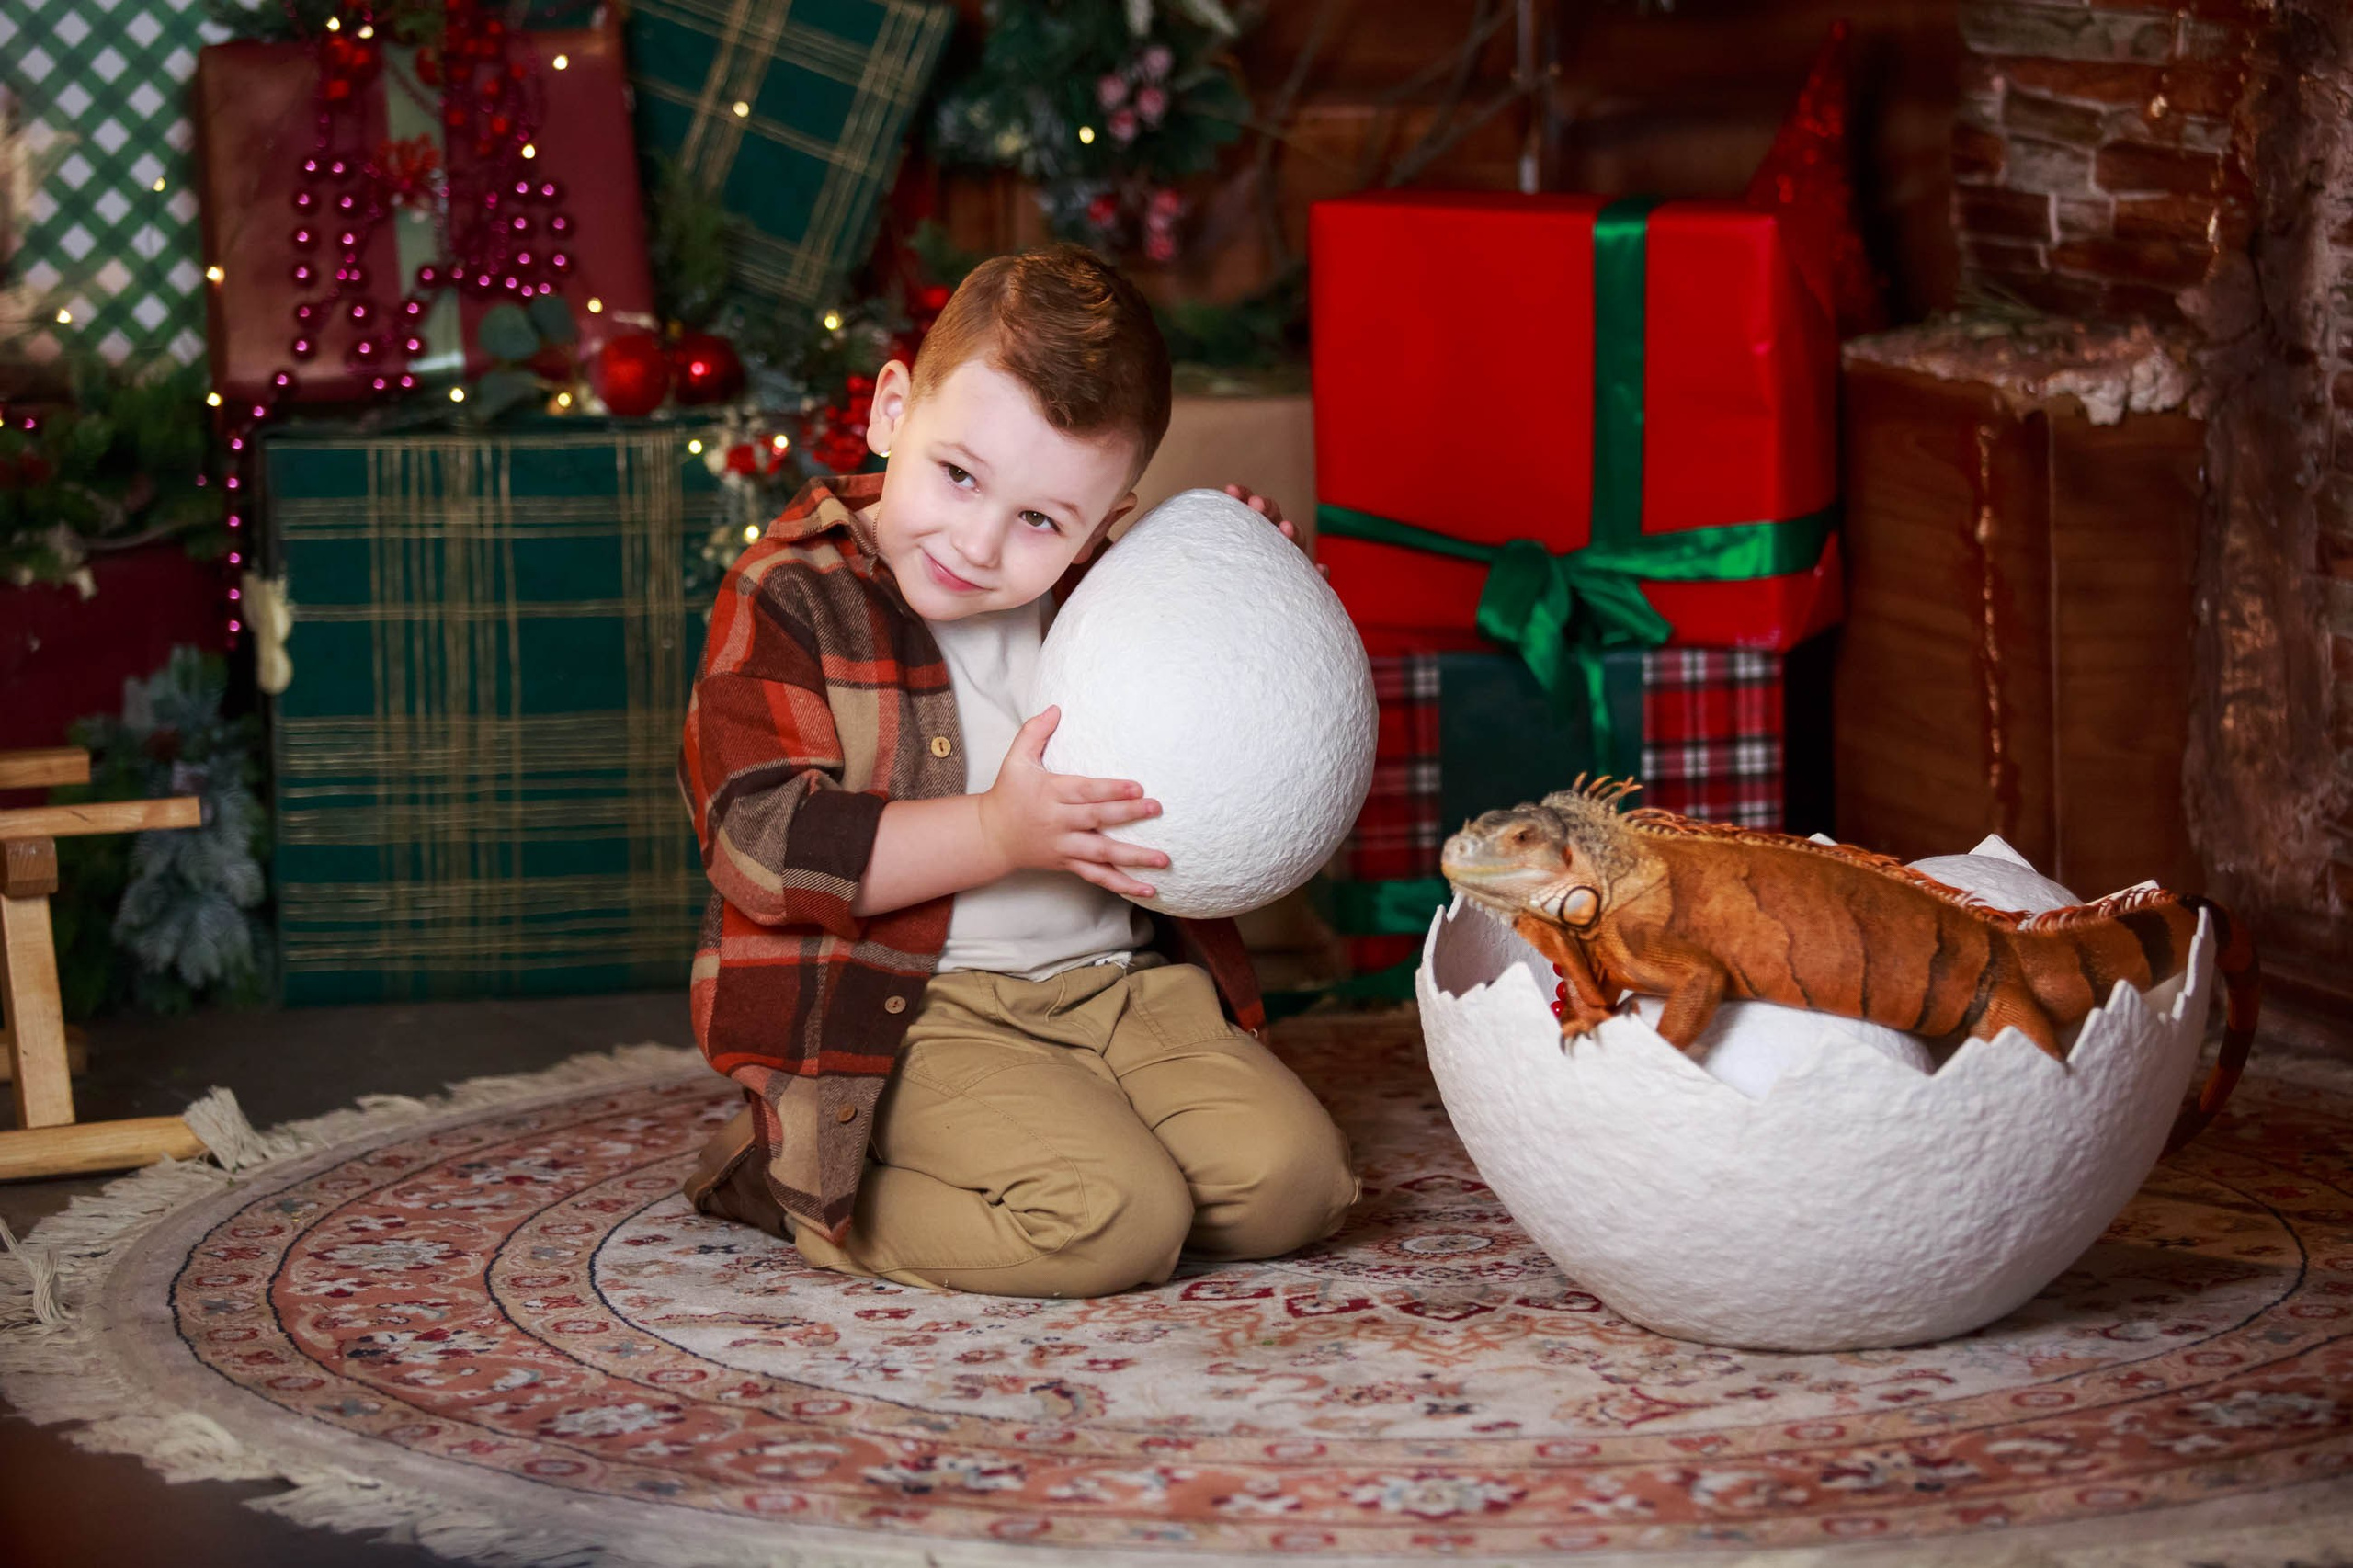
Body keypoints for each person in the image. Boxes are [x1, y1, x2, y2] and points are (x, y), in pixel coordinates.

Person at [677, 244, 1358, 1297]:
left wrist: (1245, 585)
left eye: (1041, 519)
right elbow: (757, 843)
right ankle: (801, 1182)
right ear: (892, 411)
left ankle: (1075, 1131)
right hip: (917, 1007)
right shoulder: (794, 594)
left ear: (1103, 522)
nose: (979, 543)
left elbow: (1227, 703)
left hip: (1121, 988)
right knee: (1113, 1221)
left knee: (1298, 1186)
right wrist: (997, 832)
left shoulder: (1104, 595)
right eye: (958, 474)